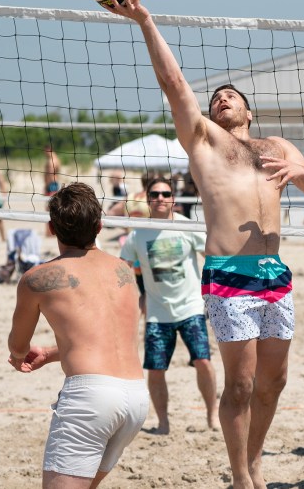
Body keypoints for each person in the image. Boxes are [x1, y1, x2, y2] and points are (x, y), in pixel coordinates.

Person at [109, 0, 304, 489]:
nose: (221, 98)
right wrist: (144, 20)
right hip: (229, 274)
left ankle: (251, 464)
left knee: (274, 383)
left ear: (249, 112)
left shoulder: (276, 146)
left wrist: (299, 168)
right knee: (243, 384)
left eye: (231, 96)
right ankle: (240, 478)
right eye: (216, 98)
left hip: (275, 273)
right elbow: (174, 82)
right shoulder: (205, 141)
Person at [7, 182, 148, 488]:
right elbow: (112, 336)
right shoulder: (123, 270)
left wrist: (22, 355)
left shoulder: (37, 278)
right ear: (99, 225)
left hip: (91, 398)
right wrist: (51, 353)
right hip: (136, 397)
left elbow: (17, 346)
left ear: (51, 229)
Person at [120, 177, 218, 434]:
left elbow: (212, 256)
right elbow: (123, 270)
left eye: (165, 194)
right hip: (157, 312)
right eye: (155, 194)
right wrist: (131, 295)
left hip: (191, 307)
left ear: (173, 198)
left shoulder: (188, 227)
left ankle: (212, 416)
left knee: (203, 361)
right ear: (147, 198)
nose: (161, 198)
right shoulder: (137, 234)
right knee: (155, 368)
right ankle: (163, 423)